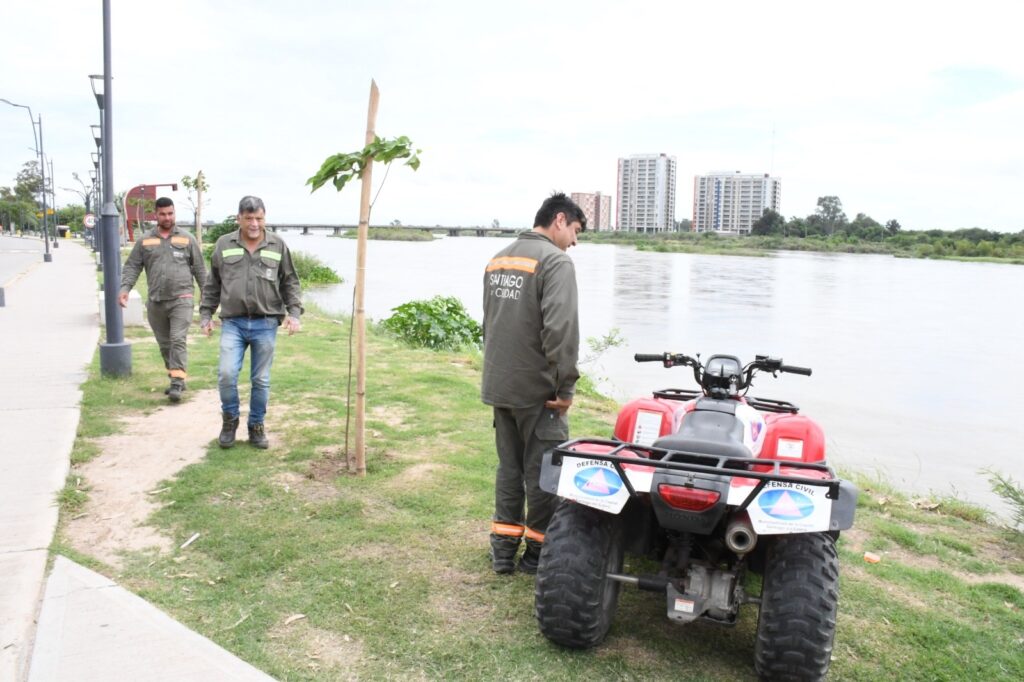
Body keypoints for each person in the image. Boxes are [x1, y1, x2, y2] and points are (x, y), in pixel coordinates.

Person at [481, 192, 586, 574]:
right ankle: (537, 554)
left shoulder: (500, 259)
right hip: (539, 392)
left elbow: (488, 323)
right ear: (560, 220)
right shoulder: (556, 262)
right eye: (575, 230)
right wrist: (565, 387)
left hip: (500, 383)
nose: (575, 241)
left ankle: (502, 552)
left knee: (509, 468)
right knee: (545, 472)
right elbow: (561, 329)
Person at [200, 196, 302, 449]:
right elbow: (213, 283)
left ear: (264, 218)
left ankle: (256, 426)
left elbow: (290, 281)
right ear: (239, 219)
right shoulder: (224, 244)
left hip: (266, 323)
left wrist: (295, 313)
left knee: (261, 380)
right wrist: (206, 314)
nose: (254, 224)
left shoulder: (277, 245)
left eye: (259, 218)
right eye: (249, 218)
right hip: (233, 322)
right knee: (226, 374)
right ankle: (229, 421)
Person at [119, 197, 206, 402]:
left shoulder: (187, 239)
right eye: (163, 214)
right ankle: (177, 375)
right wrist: (125, 288)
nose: (167, 217)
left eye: (171, 213)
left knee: (177, 339)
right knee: (165, 344)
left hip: (182, 299)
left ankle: (176, 384)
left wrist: (206, 293)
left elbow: (200, 269)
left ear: (174, 213)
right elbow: (132, 266)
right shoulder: (145, 240)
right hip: (156, 301)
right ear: (155, 215)